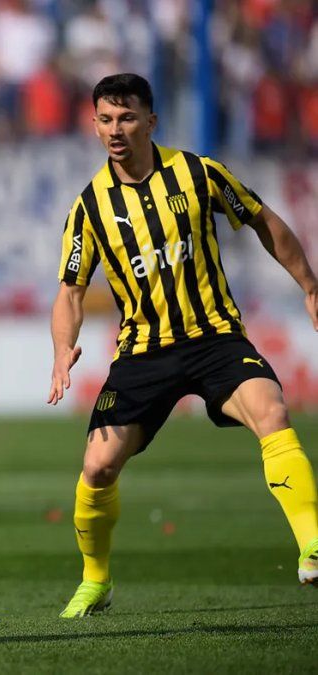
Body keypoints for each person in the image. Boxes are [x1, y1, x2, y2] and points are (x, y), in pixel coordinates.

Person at [49, 73, 318, 619]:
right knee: (97, 467)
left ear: (151, 120)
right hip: (143, 353)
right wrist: (62, 350)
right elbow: (71, 291)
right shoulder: (90, 208)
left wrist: (310, 285)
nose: (115, 130)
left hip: (215, 336)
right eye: (105, 119)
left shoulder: (197, 173)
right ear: (95, 125)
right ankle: (95, 581)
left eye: (126, 118)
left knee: (272, 412)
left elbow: (263, 221)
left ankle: (313, 546)